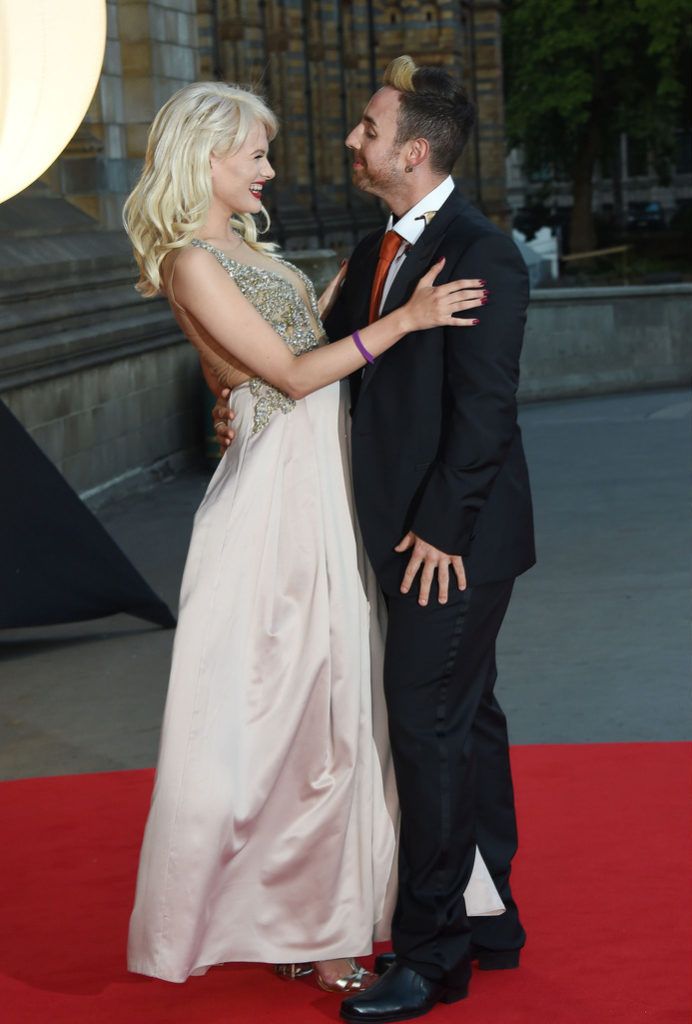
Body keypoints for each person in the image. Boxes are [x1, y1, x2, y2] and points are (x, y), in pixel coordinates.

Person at [122, 80, 489, 994]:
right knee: (284, 706)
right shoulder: (189, 259)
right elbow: (288, 371)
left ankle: (323, 916)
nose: (269, 170)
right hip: (276, 499)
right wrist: (406, 320)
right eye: (254, 154)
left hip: (319, 477)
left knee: (331, 704)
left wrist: (378, 283)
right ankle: (304, 919)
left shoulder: (238, 249)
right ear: (205, 158)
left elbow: (303, 332)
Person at [214, 54, 536, 1023]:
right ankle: (489, 917)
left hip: (450, 545)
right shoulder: (375, 247)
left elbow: (483, 413)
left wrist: (439, 530)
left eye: (367, 127)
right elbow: (314, 364)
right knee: (466, 718)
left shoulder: (483, 254)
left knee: (426, 730)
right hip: (401, 535)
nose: (351, 139)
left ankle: (432, 954)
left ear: (415, 149)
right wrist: (247, 409)